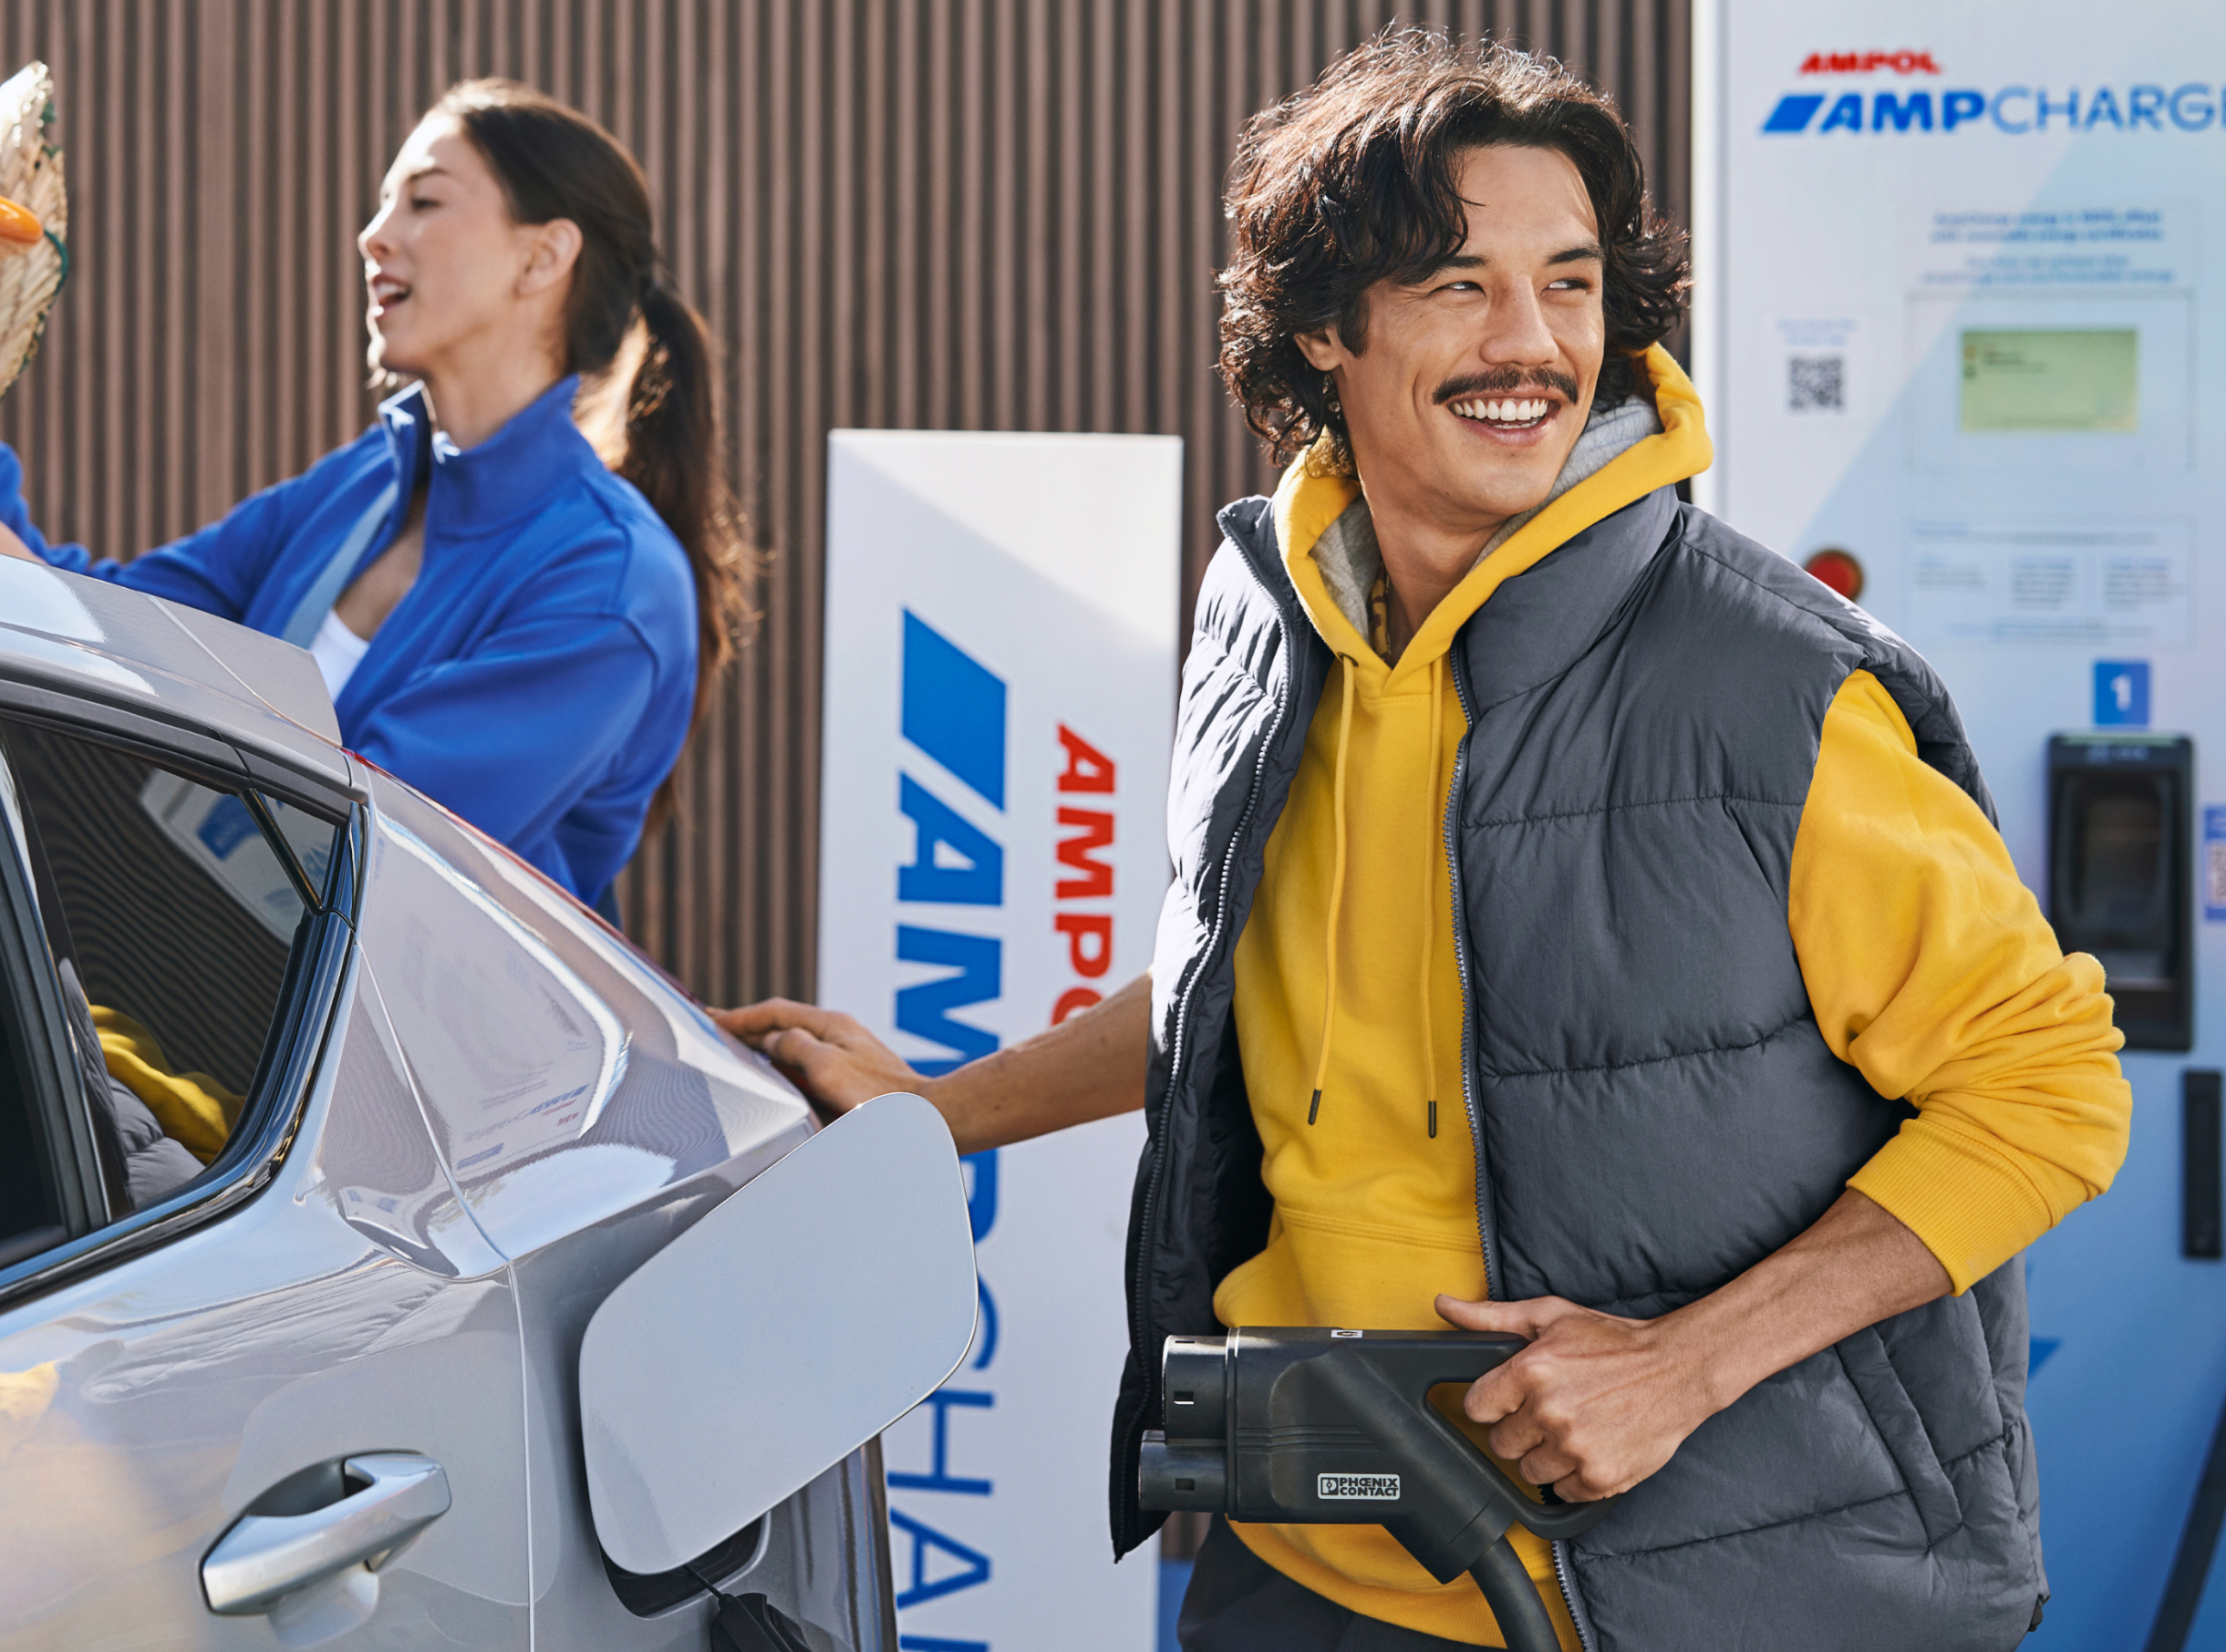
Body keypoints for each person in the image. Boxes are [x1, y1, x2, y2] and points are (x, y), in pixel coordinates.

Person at [718, 32, 2128, 1652]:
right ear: (1325, 325)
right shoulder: (1277, 625)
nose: (1531, 342)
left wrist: (1687, 1361)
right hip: (1301, 1564)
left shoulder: (1771, 691)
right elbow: (1235, 989)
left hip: (1674, 1597)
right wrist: (937, 1113)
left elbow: (2049, 1088)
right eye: (1461, 284)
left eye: (1572, 282)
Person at [0, 79, 751, 915]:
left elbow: (357, 846)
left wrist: (75, 640)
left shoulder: (612, 588)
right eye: (384, 205)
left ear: (543, 256)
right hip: (178, 984)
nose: (373, 236)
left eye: (424, 201)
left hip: (396, 1053)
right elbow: (122, 616)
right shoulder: (361, 483)